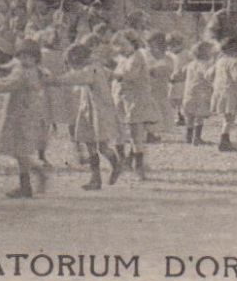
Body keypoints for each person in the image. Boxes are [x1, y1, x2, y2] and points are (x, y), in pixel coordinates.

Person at [0, 41, 54, 198]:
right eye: (21, 56)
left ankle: (30, 180)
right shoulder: (33, 69)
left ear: (35, 58)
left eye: (28, 57)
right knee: (18, 149)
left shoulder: (23, 72)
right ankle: (30, 180)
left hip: (21, 114)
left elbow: (6, 84)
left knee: (19, 149)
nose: (24, 59)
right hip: (25, 111)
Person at [47, 43, 125, 190]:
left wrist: (55, 80)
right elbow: (110, 74)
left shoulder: (90, 70)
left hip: (99, 112)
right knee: (89, 143)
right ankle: (95, 178)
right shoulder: (96, 67)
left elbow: (76, 78)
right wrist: (118, 77)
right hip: (89, 109)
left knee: (101, 146)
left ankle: (116, 164)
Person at [111, 31, 159, 175]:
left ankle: (138, 165)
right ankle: (123, 160)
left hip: (135, 100)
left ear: (133, 43)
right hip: (122, 98)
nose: (120, 49)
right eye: (117, 46)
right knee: (119, 130)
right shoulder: (123, 58)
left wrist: (110, 74)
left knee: (135, 132)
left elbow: (130, 75)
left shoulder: (137, 57)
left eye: (123, 45)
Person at [210, 35, 237, 152]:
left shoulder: (220, 61)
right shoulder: (235, 62)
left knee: (226, 118)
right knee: (229, 119)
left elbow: (208, 75)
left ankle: (225, 140)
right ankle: (224, 141)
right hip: (230, 93)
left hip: (219, 92)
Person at [178, 41, 217, 145]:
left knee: (189, 116)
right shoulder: (205, 65)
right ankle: (197, 137)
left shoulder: (191, 64)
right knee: (199, 116)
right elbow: (207, 76)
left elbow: (182, 71)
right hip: (201, 94)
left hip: (189, 93)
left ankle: (188, 137)